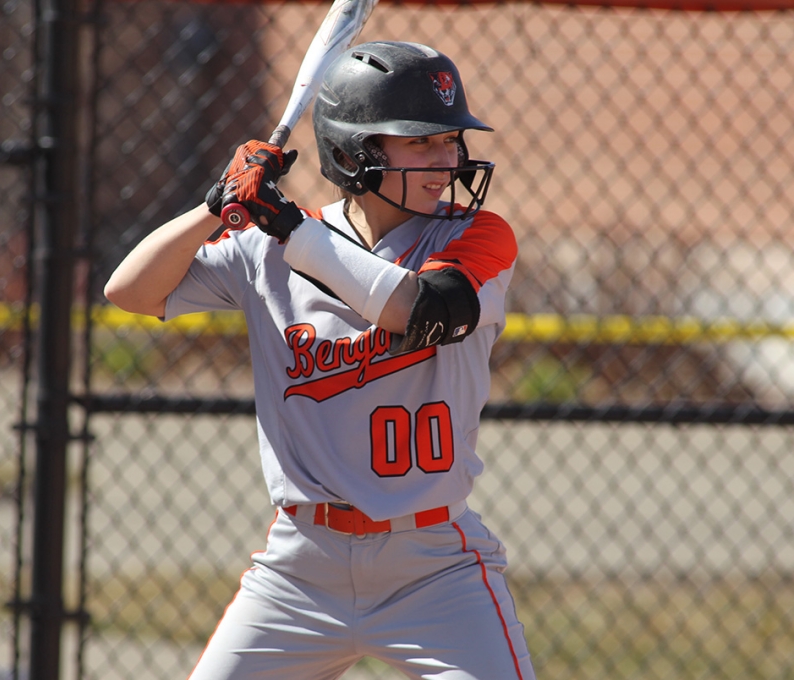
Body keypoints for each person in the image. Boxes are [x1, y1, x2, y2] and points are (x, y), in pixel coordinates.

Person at [104, 40, 535, 680]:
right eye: (421, 143)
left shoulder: (475, 234)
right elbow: (130, 291)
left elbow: (416, 311)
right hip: (301, 566)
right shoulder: (267, 248)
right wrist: (215, 203)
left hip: (433, 568)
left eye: (450, 140)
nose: (447, 160)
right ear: (352, 154)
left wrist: (285, 224)